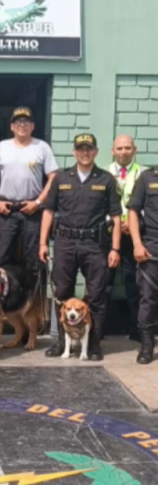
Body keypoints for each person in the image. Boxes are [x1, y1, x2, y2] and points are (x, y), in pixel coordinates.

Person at [39, 133, 122, 362]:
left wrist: (115, 249)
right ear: (74, 152)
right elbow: (48, 212)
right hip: (65, 243)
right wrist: (43, 243)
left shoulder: (106, 180)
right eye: (81, 149)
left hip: (95, 245)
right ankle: (61, 342)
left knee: (96, 296)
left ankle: (93, 343)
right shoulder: (61, 178)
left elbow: (116, 216)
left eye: (89, 149)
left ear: (95, 152)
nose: (85, 153)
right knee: (62, 293)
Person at [0, 107, 59, 281]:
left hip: (32, 210)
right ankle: (1, 301)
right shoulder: (2, 147)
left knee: (34, 258)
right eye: (18, 122)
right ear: (11, 126)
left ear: (32, 126)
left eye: (26, 122)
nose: (22, 125)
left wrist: (39, 202)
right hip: (6, 209)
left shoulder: (42, 147)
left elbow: (53, 177)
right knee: (2, 256)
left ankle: (34, 303)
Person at [107, 135, 144, 342]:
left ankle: (137, 330)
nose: (123, 152)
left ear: (134, 150)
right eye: (119, 148)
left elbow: (149, 205)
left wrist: (131, 224)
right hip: (109, 233)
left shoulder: (144, 173)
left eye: (127, 148)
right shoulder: (103, 173)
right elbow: (97, 205)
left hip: (134, 234)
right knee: (104, 283)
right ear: (113, 151)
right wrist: (114, 224)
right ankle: (98, 330)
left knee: (134, 283)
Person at [127, 161, 158, 363]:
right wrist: (137, 243)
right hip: (151, 248)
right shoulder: (147, 177)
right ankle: (147, 345)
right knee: (147, 298)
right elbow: (133, 211)